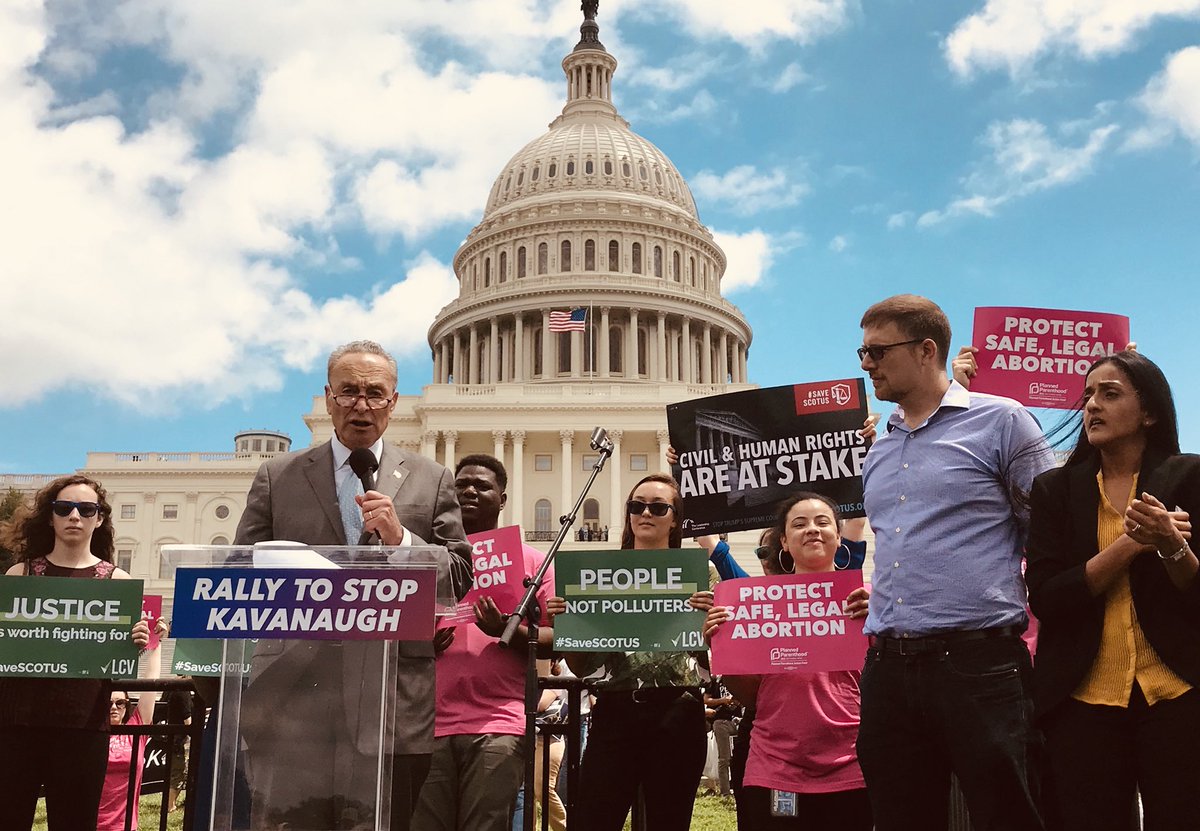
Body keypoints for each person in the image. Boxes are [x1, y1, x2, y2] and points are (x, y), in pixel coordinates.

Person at [234, 339, 473, 831]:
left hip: (390, 700)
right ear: (328, 398)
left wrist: (402, 541)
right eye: (348, 391)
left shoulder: (431, 478)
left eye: (375, 393)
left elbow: (460, 576)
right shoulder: (278, 476)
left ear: (393, 401)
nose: (361, 405)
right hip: (293, 695)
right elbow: (240, 570)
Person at [855, 294, 1055, 831]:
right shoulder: (878, 449)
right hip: (888, 668)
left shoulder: (1003, 421)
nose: (867, 364)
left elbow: (1048, 527)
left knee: (1008, 815)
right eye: (863, 352)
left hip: (978, 664)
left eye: (878, 351)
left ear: (926, 350)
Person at [1026, 351, 1200, 831]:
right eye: (1088, 395)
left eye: (1110, 393)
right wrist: (1129, 545)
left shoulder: (1190, 477)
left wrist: (1172, 546)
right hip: (1082, 702)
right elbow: (1047, 598)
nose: (1092, 406)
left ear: (1149, 413)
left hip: (1179, 695)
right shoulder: (1054, 490)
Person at [547, 473, 707, 831]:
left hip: (678, 712)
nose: (645, 513)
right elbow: (584, 667)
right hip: (617, 711)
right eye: (637, 506)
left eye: (658, 507)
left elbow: (713, 656)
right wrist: (568, 627)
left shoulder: (702, 575)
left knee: (669, 822)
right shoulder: (598, 575)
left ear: (675, 519)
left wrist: (712, 623)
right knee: (592, 820)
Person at [705, 493, 872, 829]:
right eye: (799, 524)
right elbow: (752, 696)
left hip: (853, 769)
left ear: (839, 536)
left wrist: (881, 620)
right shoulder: (756, 607)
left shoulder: (869, 600)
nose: (812, 529)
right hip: (776, 770)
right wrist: (721, 646)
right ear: (783, 541)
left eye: (822, 522)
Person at [412, 453, 555, 831]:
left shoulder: (534, 563)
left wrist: (508, 631)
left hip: (498, 723)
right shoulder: (429, 561)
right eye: (461, 485)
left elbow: (559, 638)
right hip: (430, 723)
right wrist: (421, 643)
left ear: (502, 499)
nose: (470, 491)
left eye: (482, 486)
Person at [0, 475, 151, 831]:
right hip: (16, 723)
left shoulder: (118, 582)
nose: (74, 516)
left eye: (85, 509)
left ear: (99, 518)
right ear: (50, 516)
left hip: (83, 725)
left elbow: (121, 657)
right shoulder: (20, 574)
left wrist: (137, 639)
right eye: (64, 508)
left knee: (75, 824)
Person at [97, 616, 170, 831]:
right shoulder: (90, 730)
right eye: (109, 702)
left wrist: (156, 642)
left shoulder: (135, 730)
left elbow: (151, 683)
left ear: (127, 705)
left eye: (120, 703)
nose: (114, 707)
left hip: (124, 826)